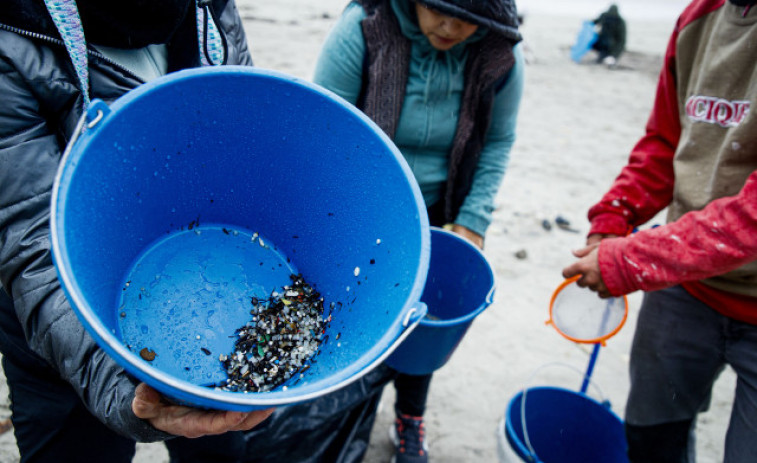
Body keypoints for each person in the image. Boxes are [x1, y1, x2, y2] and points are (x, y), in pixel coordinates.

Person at [0, 1, 274, 462]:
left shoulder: (209, 8)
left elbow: (243, 130)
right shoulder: (13, 35)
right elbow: (31, 239)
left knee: (220, 443)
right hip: (59, 329)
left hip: (212, 293)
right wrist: (119, 381)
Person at [313, 1, 524, 461]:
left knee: (426, 319)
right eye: (437, 8)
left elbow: (499, 141)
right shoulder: (363, 31)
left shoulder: (499, 55)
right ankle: (345, 411)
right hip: (362, 209)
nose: (449, 26)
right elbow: (326, 132)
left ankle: (411, 415)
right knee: (356, 313)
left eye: (467, 18)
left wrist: (473, 218)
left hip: (439, 212)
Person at [562, 0, 757, 461]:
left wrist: (631, 259)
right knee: (651, 436)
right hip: (685, 287)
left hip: (687, 266)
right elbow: (666, 141)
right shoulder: (697, 19)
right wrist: (613, 218)